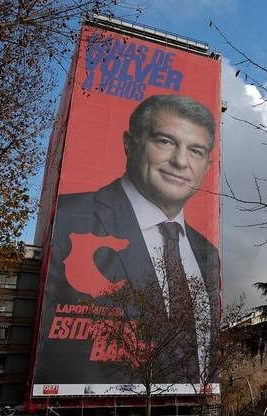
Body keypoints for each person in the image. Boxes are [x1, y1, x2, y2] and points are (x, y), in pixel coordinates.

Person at [33, 95, 220, 386]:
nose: (180, 162)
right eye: (165, 141)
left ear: (207, 166)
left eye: (195, 150)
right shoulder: (70, 217)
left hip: (189, 404)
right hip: (87, 406)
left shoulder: (207, 252)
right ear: (129, 144)